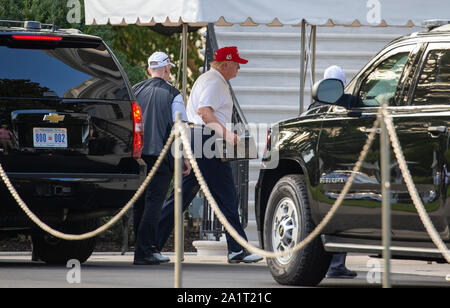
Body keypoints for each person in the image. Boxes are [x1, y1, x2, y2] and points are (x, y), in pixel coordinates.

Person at [156, 46, 263, 264]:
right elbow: (205, 112)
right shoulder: (215, 82)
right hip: (208, 141)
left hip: (198, 139)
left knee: (182, 197)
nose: (239, 68)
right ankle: (237, 249)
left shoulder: (208, 79)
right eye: (236, 64)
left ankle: (151, 243)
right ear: (225, 64)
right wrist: (227, 134)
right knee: (226, 196)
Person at [132, 51, 191, 265]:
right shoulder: (173, 94)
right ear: (166, 69)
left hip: (137, 156)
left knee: (139, 203)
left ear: (149, 70)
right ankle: (145, 251)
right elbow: (180, 127)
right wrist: (184, 157)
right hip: (162, 156)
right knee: (154, 203)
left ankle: (142, 249)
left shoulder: (135, 90)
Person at [321, 65, 357, 279]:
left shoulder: (315, 105)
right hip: (340, 169)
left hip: (324, 171)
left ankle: (329, 265)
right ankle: (335, 265)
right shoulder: (348, 103)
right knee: (338, 218)